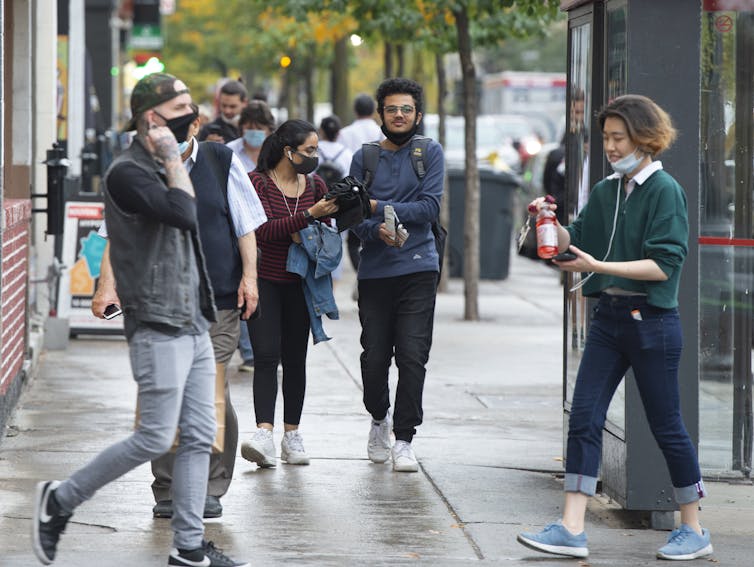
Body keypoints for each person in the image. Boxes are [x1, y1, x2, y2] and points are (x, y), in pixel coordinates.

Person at [33, 73, 249, 567]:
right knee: (155, 434)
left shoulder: (169, 162)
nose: (192, 115)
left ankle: (189, 547)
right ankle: (59, 501)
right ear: (152, 118)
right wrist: (174, 158)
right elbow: (184, 212)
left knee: (199, 434)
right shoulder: (128, 172)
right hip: (156, 319)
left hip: (194, 318)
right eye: (180, 107)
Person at [517, 95, 713, 561]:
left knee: (666, 425)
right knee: (584, 417)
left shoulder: (665, 191)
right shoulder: (608, 189)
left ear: (645, 139)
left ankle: (694, 528)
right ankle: (570, 527)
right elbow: (576, 240)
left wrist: (598, 264)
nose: (609, 145)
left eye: (618, 137)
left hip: (653, 322)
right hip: (608, 318)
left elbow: (664, 266)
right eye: (605, 137)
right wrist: (548, 220)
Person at [349, 78, 444, 473]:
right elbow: (350, 215)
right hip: (374, 271)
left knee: (412, 355)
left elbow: (429, 208)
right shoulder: (365, 157)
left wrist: (376, 205)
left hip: (419, 266)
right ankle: (378, 419)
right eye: (392, 109)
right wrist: (376, 229)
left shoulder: (430, 153)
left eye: (406, 109)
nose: (399, 115)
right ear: (380, 114)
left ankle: (404, 438)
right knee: (374, 358)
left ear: (418, 114)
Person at [239, 119, 338, 468]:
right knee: (266, 356)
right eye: (309, 150)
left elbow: (324, 234)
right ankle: (263, 433)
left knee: (296, 359)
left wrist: (321, 221)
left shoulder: (315, 184)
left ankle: (291, 434)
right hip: (263, 279)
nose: (314, 156)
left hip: (301, 282)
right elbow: (261, 231)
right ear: (288, 151)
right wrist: (307, 217)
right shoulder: (257, 184)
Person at [226, 100, 277, 373]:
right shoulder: (229, 155)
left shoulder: (278, 154)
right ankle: (249, 353)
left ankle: (268, 347)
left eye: (260, 128)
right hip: (240, 233)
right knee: (246, 287)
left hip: (272, 231)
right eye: (249, 127)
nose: (254, 132)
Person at [338, 94, 385, 273]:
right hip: (377, 187)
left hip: (355, 186)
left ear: (355, 110)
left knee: (354, 237)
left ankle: (361, 271)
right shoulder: (381, 132)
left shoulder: (345, 133)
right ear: (374, 111)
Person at [198, 79, 248, 143]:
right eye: (224, 105)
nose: (227, 111)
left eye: (232, 106)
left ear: (245, 103)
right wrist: (206, 146)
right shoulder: (209, 129)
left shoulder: (253, 128)